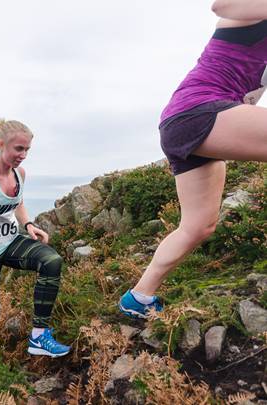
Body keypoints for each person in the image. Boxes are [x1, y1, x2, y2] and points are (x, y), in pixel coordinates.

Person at [119, 2, 267, 318]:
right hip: (198, 112)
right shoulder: (250, 12)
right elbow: (221, 5)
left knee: (198, 226)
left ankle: (138, 298)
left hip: (186, 122)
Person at [0, 119, 70, 357]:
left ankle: (39, 336)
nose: (24, 155)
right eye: (19, 149)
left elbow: (17, 203)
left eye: (27, 149)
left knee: (51, 261)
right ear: (1, 144)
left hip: (10, 242)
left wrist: (27, 224)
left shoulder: (20, 174)